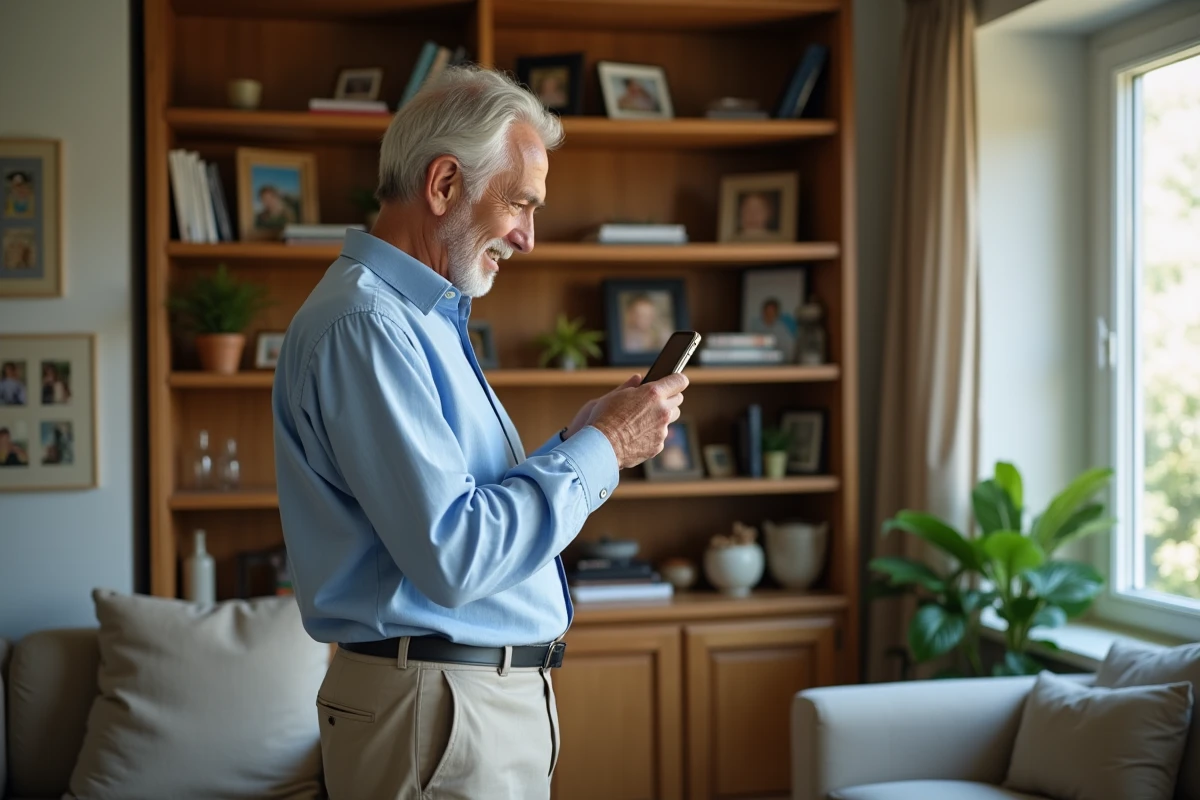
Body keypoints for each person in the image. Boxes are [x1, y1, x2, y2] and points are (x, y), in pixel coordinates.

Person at [272, 66, 688, 800]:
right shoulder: (368, 326)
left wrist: (578, 440)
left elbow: (462, 507)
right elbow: (455, 553)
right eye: (520, 204)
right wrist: (603, 451)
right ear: (443, 186)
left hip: (458, 705)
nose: (528, 238)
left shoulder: (418, 319)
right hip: (438, 709)